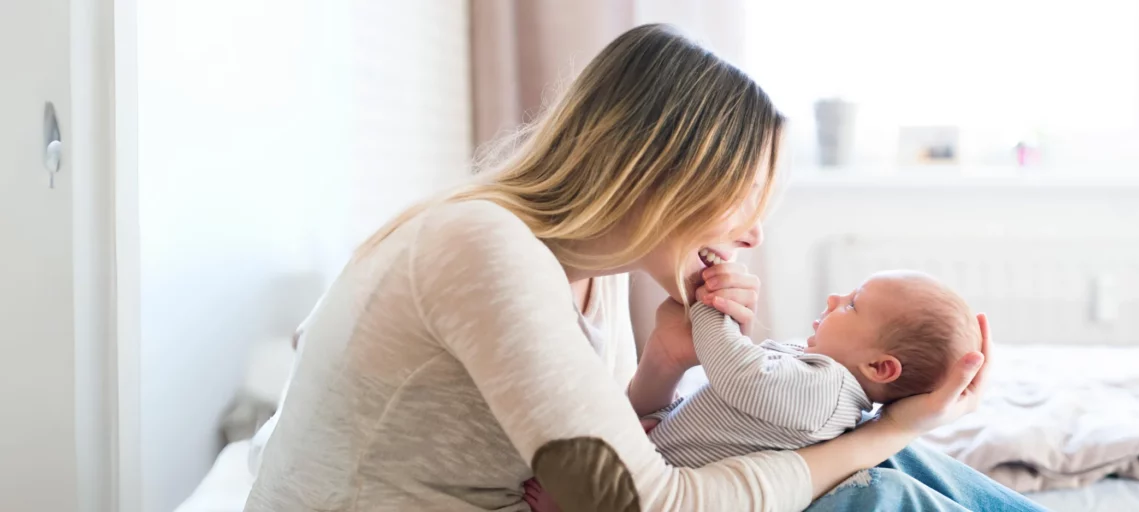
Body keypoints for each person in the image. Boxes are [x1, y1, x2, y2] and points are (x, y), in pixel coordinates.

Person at [245, 24, 992, 511]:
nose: (754, 234)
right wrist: (886, 430)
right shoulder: (483, 247)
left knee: (890, 476)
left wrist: (662, 366)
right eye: (742, 201)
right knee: (866, 485)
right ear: (667, 173)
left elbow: (589, 443)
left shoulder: (585, 274)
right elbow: (641, 503)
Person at [646, 270, 981, 467]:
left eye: (852, 305)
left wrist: (711, 306)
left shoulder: (826, 393)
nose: (835, 298)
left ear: (878, 367)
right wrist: (663, 419)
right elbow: (719, 411)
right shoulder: (819, 372)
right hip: (655, 459)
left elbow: (739, 373)